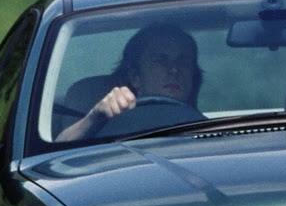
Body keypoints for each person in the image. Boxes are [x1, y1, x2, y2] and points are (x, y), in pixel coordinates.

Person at [56, 23, 202, 142]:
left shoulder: (209, 129)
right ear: (135, 77)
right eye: (160, 60)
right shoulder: (110, 126)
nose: (174, 70)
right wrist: (94, 117)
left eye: (183, 62)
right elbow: (59, 149)